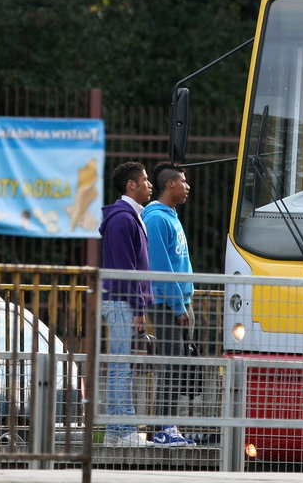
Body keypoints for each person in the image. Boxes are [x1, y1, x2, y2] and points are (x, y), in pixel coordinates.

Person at [99, 161, 154, 447]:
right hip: (123, 304)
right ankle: (126, 431)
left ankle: (115, 433)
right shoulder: (123, 219)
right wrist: (139, 309)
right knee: (123, 369)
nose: (149, 185)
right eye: (145, 180)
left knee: (122, 367)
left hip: (123, 303)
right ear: (131, 185)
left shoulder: (128, 216)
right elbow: (126, 269)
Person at [142, 162, 197, 447]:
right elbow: (161, 267)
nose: (188, 186)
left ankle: (169, 425)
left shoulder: (171, 216)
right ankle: (164, 427)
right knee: (172, 364)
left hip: (178, 302)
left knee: (179, 363)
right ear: (171, 184)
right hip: (166, 303)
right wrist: (178, 306)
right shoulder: (156, 219)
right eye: (184, 181)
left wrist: (186, 302)